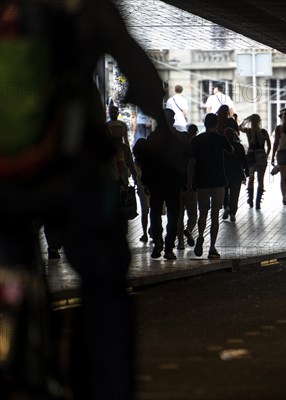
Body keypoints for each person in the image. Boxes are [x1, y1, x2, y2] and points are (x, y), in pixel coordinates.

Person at [0, 1, 168, 398]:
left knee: (9, 252)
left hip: (4, 181)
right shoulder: (83, 8)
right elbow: (137, 69)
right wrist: (158, 121)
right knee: (105, 283)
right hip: (72, 173)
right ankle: (109, 388)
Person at [141, 109, 186, 260]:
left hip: (156, 182)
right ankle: (168, 248)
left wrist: (145, 181)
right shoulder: (179, 138)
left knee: (155, 213)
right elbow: (184, 162)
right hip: (174, 183)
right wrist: (185, 181)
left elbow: (145, 162)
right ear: (173, 121)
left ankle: (158, 240)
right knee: (173, 215)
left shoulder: (152, 138)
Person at [191, 113, 234, 259]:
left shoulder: (197, 140)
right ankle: (212, 247)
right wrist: (221, 134)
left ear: (204, 123)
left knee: (203, 212)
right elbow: (231, 150)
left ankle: (201, 236)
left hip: (202, 181)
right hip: (218, 181)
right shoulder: (221, 139)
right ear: (216, 124)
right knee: (215, 215)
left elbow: (191, 159)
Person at [240, 114, 271, 209]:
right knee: (260, 180)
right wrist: (266, 155)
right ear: (259, 121)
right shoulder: (264, 132)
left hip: (251, 156)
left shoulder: (248, 131)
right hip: (261, 155)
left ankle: (251, 200)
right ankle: (258, 203)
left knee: (251, 179)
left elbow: (239, 128)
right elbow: (269, 145)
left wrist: (245, 120)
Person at [177, 124, 199, 249]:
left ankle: (180, 243)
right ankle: (189, 230)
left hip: (177, 187)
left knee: (179, 217)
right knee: (193, 215)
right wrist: (191, 184)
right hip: (190, 187)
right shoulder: (192, 152)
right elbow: (193, 167)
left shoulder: (176, 154)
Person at [223, 127, 250, 222]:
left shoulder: (222, 147)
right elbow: (244, 160)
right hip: (236, 173)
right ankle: (233, 212)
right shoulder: (239, 146)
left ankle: (226, 207)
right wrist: (247, 172)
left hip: (224, 173)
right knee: (235, 194)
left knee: (224, 192)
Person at [132, 137, 150, 242]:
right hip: (151, 185)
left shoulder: (136, 162)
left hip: (141, 186)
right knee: (153, 209)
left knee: (144, 211)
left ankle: (144, 233)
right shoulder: (150, 159)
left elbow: (135, 176)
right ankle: (153, 230)